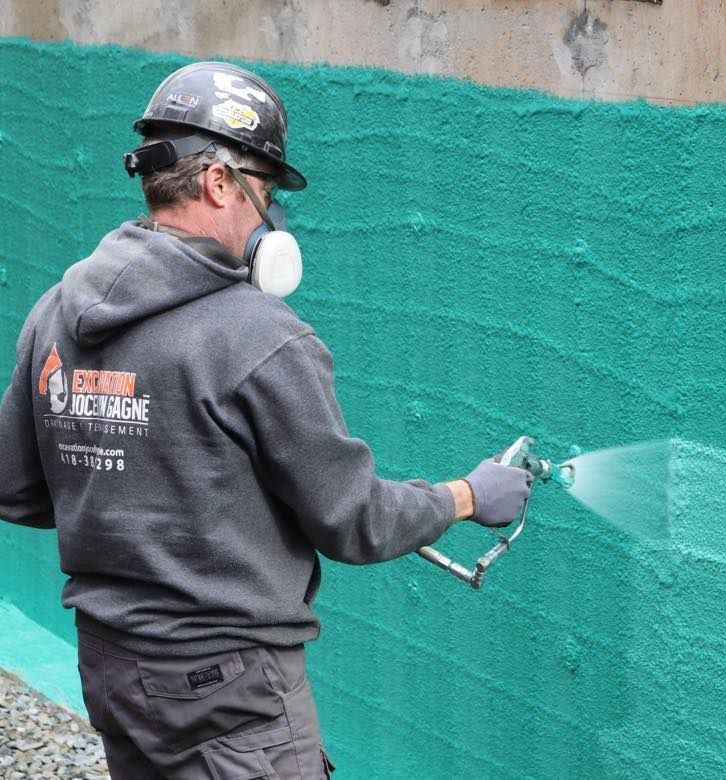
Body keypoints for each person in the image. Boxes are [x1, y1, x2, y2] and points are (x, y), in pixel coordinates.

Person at [0, 61, 532, 779]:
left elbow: (17, 490)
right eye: (267, 191)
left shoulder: (55, 311)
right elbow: (356, 523)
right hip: (228, 695)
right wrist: (467, 496)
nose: (272, 217)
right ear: (219, 182)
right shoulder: (262, 337)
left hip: (112, 667)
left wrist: (132, 499)